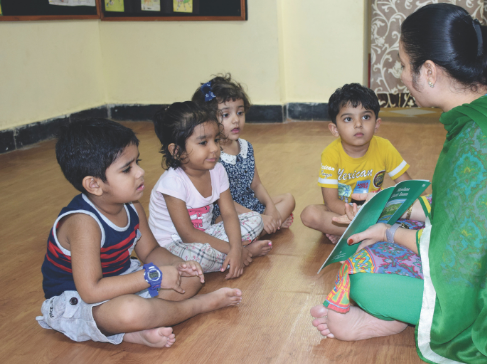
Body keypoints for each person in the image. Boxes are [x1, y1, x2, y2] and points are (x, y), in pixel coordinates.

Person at [307, 3, 487, 364]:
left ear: (431, 72)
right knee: (383, 227)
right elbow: (474, 215)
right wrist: (399, 213)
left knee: (362, 279)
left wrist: (390, 233)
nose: (401, 76)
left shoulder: (480, 139)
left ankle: (386, 317)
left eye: (405, 65)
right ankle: (391, 313)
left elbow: (461, 252)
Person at [37, 118, 242, 348]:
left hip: (123, 279)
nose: (140, 172)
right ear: (94, 184)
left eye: (137, 162)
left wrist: (177, 264)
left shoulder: (131, 205)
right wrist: (151, 277)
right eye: (127, 169)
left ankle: (136, 329)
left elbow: (151, 251)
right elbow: (91, 291)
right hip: (78, 301)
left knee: (191, 276)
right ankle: (200, 305)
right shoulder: (83, 223)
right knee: (130, 311)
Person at [148, 102, 269, 278]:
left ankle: (237, 254)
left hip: (205, 235)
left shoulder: (217, 170)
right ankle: (243, 254)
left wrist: (236, 248)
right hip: (174, 246)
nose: (214, 148)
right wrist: (234, 249)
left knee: (256, 220)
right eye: (203, 142)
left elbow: (229, 214)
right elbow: (187, 234)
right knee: (198, 258)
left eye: (216, 140)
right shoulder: (172, 182)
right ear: (176, 151)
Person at [299, 83, 413, 243]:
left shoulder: (385, 147)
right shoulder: (331, 154)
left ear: (377, 124)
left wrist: (425, 205)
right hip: (343, 212)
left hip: (375, 210)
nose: (358, 124)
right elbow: (331, 202)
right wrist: (357, 214)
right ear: (335, 129)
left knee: (415, 205)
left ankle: (353, 233)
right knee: (309, 214)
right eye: (348, 119)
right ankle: (374, 231)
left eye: (366, 117)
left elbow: (408, 187)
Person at [191, 74, 296, 236]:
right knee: (223, 224)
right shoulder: (212, 156)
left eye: (240, 112)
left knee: (288, 199)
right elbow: (222, 202)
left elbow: (257, 185)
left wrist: (270, 207)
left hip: (250, 205)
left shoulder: (246, 147)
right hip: (228, 211)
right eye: (226, 115)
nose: (235, 120)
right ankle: (265, 228)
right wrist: (259, 217)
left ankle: (262, 228)